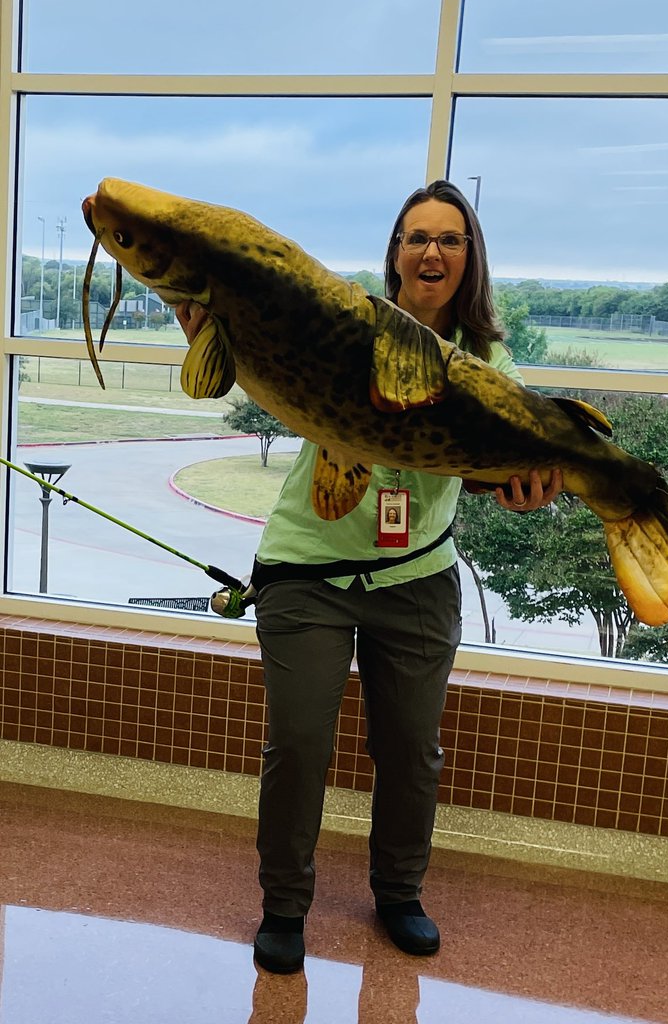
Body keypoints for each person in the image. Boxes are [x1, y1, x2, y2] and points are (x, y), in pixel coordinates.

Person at [177, 180, 561, 974]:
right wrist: (210, 332)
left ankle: (399, 893)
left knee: (412, 748)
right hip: (306, 568)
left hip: (417, 576)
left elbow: (500, 466)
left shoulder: (488, 363)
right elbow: (238, 361)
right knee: (300, 743)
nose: (432, 252)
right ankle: (284, 906)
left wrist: (524, 491)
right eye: (417, 237)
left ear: (469, 258)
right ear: (393, 252)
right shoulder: (350, 325)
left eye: (450, 239)